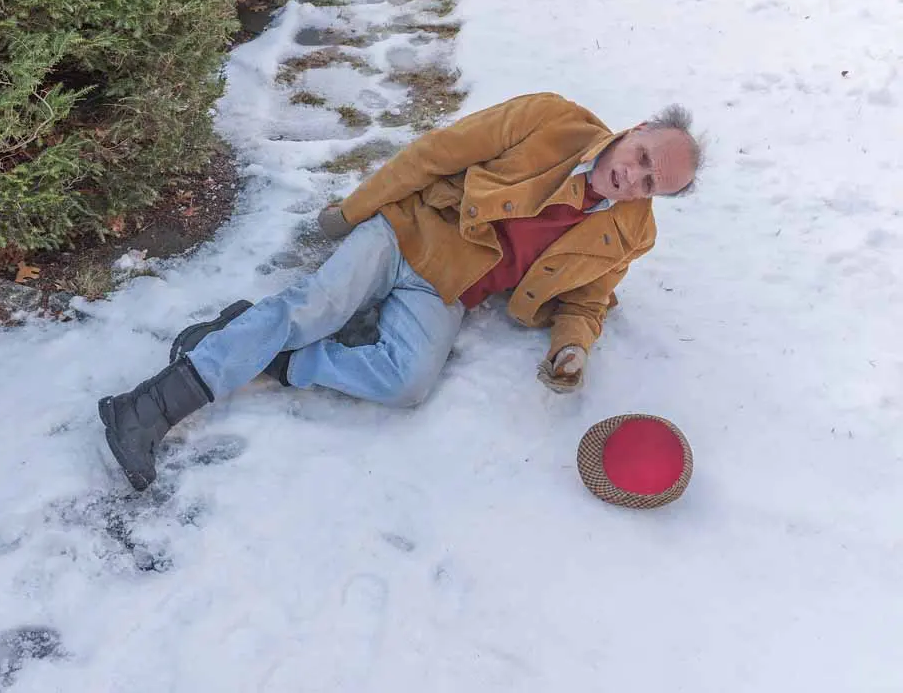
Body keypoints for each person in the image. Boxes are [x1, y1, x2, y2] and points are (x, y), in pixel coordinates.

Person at [97, 92, 704, 490]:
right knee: (315, 308)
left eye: (652, 183)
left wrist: (572, 347)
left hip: (448, 289)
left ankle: (255, 349)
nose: (635, 176)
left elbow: (588, 301)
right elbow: (435, 153)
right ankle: (143, 409)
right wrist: (353, 210)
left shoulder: (630, 232)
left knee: (405, 384)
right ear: (638, 128)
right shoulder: (550, 118)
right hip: (408, 230)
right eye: (643, 155)